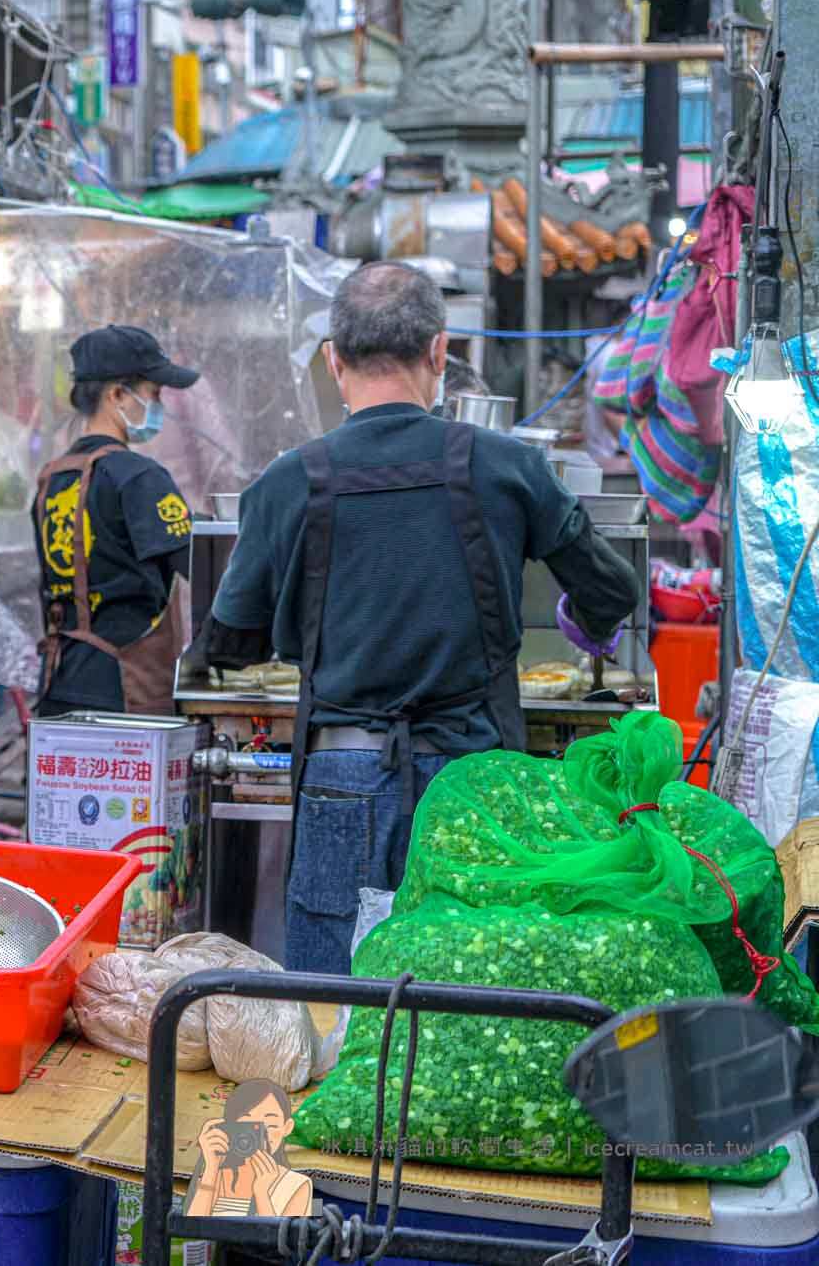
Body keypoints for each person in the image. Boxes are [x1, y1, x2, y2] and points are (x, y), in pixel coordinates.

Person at [192, 262, 640, 975]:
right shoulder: (506, 466)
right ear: (439, 352)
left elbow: (227, 641)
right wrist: (581, 622)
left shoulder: (288, 481)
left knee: (334, 1003)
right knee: (467, 998)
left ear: (334, 361)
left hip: (343, 775)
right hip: (477, 779)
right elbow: (612, 590)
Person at [32, 325, 200, 717]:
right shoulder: (139, 477)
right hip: (125, 688)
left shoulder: (51, 479)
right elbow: (200, 567)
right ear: (117, 395)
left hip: (60, 682)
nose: (159, 407)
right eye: (154, 394)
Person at [184, 1079, 313, 1219]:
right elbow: (193, 1227)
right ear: (228, 1127)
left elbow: (280, 1238)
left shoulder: (297, 1184)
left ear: (286, 1128)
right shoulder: (213, 1174)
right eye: (248, 1127)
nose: (259, 1138)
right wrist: (211, 1167)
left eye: (270, 1125)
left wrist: (262, 1193)